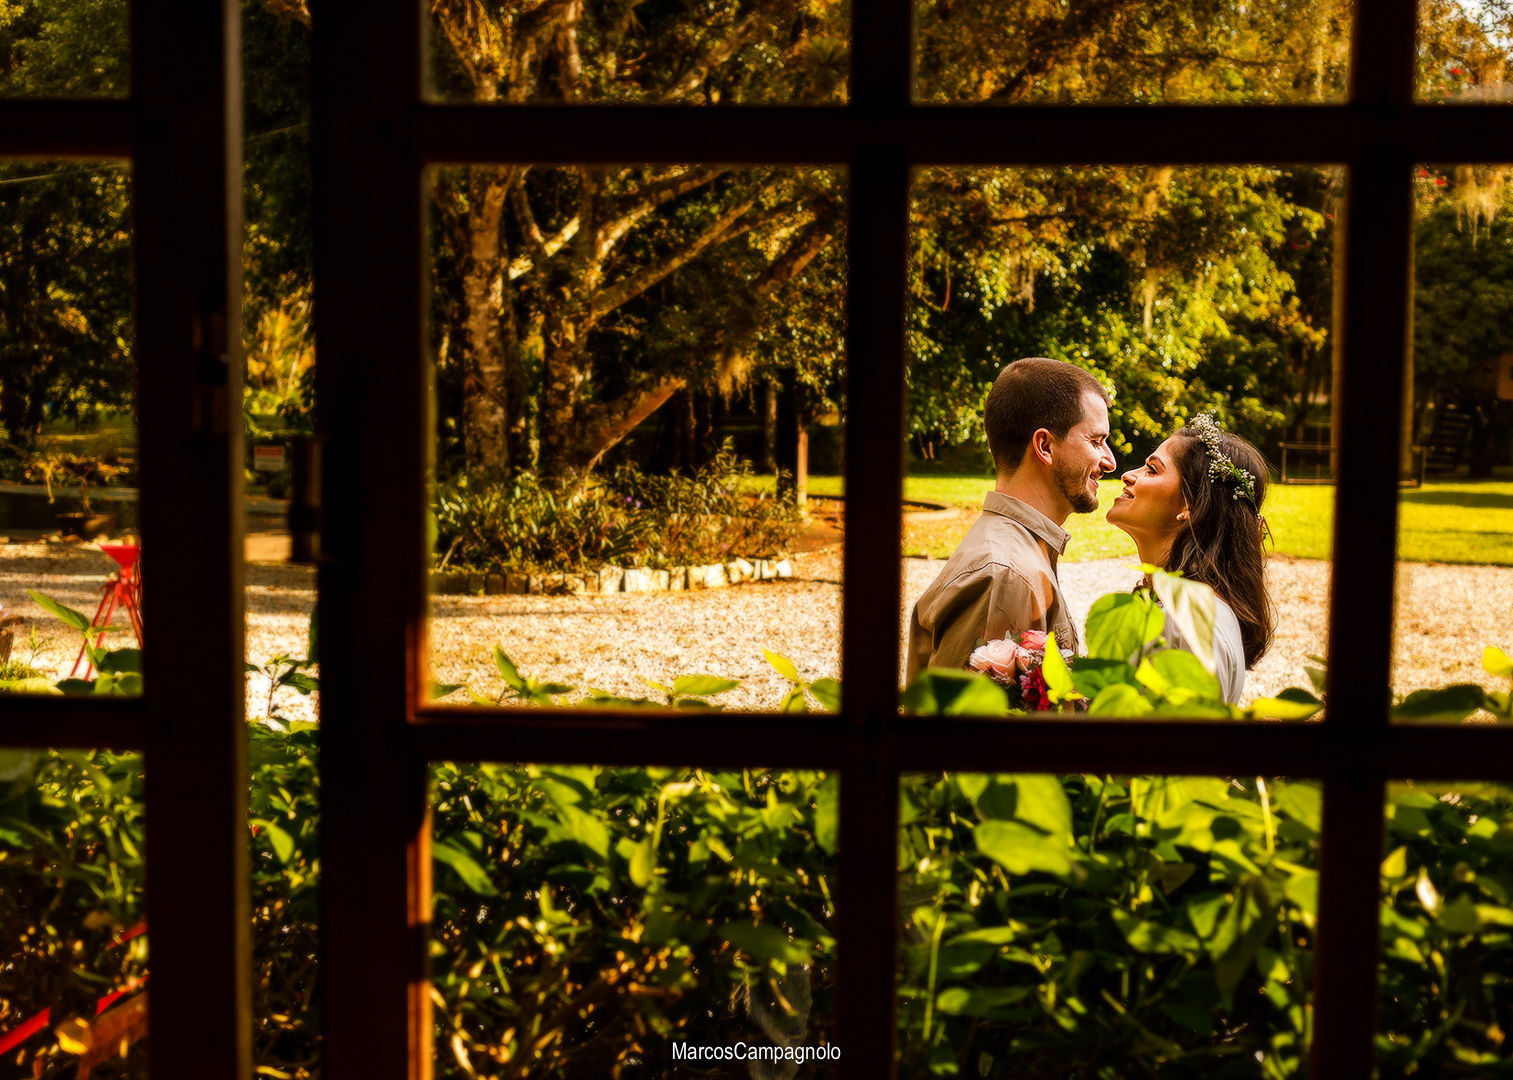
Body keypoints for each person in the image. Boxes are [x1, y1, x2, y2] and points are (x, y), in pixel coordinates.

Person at [906, 357, 1116, 681]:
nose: (1110, 460)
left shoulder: (1020, 552)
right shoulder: (1004, 576)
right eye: (1096, 441)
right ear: (1044, 445)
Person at [1105, 413, 1275, 703]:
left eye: (1152, 470)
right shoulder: (1186, 606)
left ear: (1191, 505)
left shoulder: (1184, 623)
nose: (1128, 475)